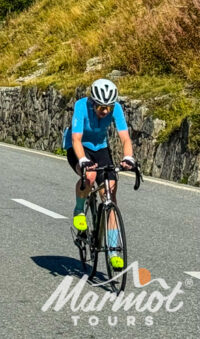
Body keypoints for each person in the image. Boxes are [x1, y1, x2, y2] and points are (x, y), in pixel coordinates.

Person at [62, 78, 135, 269]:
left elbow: (125, 137)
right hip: (78, 147)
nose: (105, 111)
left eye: (108, 107)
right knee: (90, 176)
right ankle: (79, 210)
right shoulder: (81, 106)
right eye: (101, 107)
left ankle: (113, 250)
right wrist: (83, 161)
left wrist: (128, 157)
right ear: (93, 102)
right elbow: (76, 139)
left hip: (100, 148)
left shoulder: (115, 109)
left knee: (109, 193)